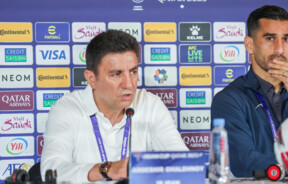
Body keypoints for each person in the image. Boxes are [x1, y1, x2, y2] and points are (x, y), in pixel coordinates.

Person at [41, 30, 188, 182]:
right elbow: (51, 170)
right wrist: (107, 169)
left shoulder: (151, 104)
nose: (129, 84)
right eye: (116, 74)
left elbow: (183, 165)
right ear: (91, 79)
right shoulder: (66, 109)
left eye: (133, 72)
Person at [211, 5, 288, 177]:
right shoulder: (229, 99)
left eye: (286, 39)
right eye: (270, 38)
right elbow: (242, 162)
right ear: (249, 45)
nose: (280, 49)